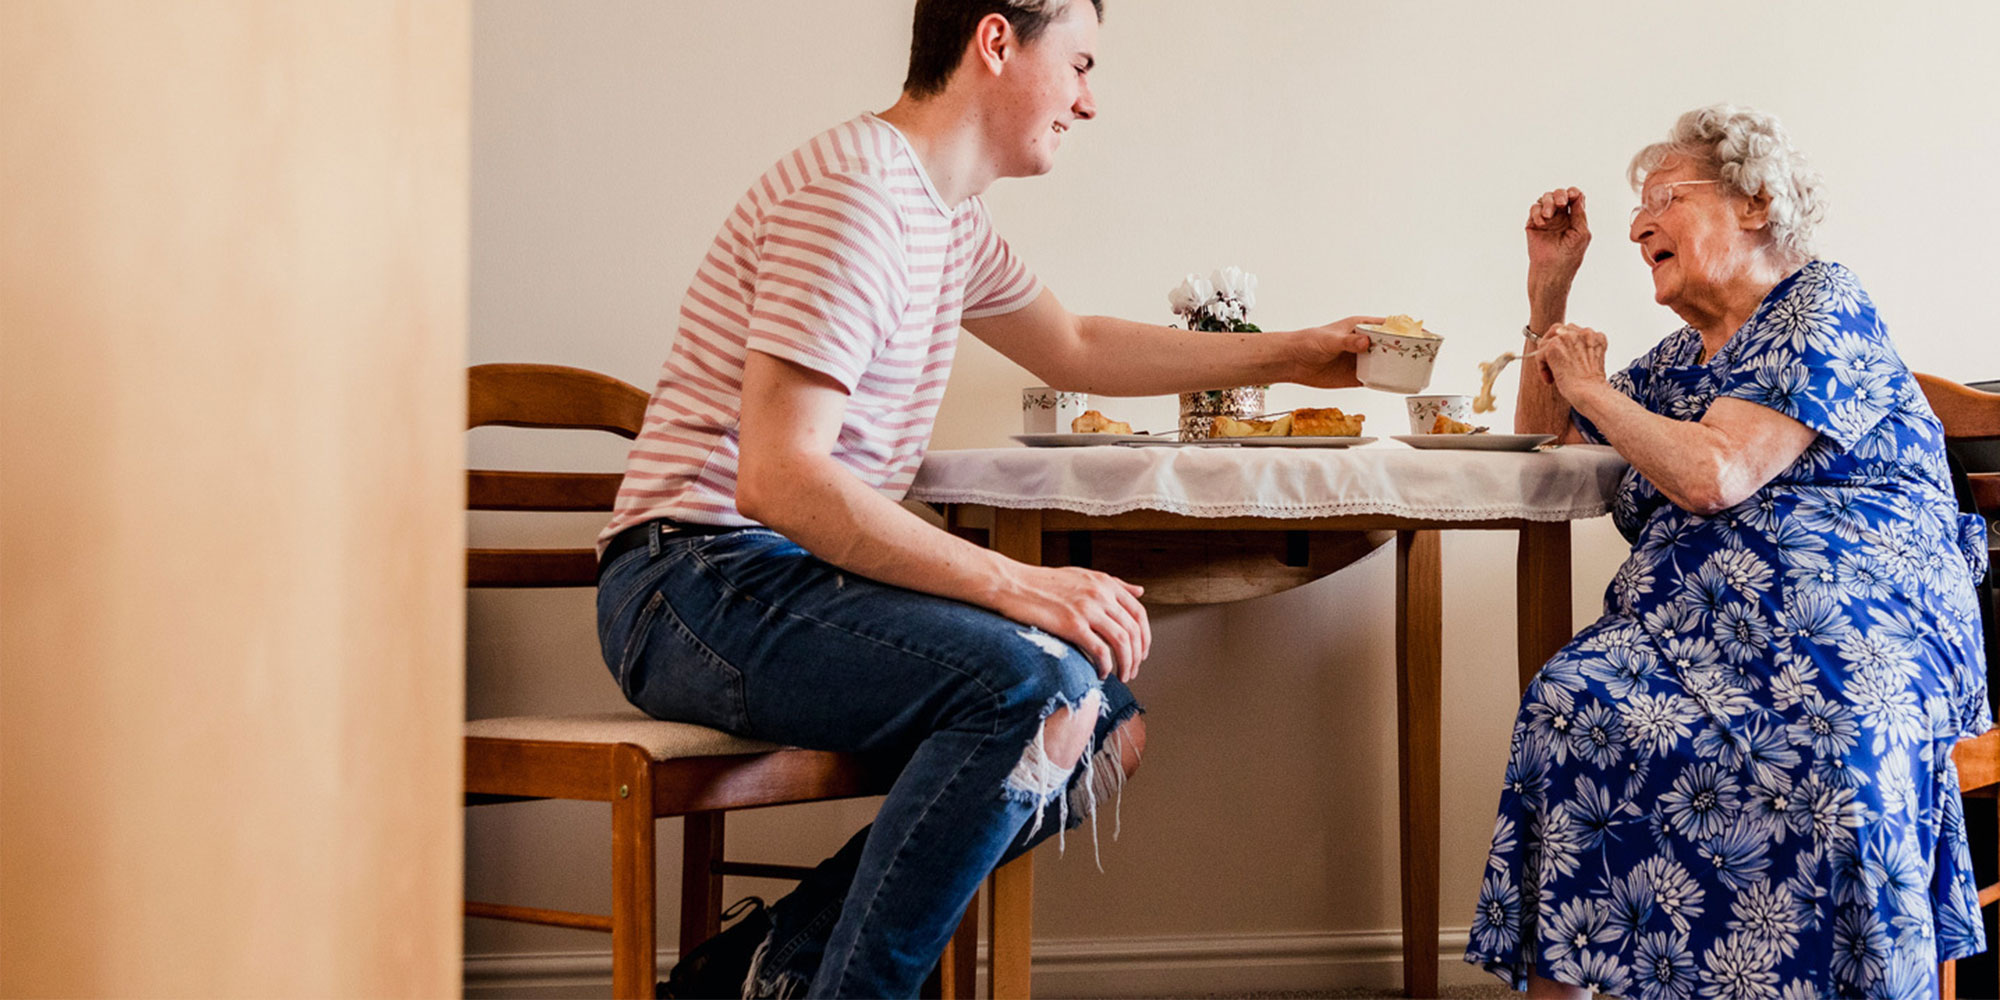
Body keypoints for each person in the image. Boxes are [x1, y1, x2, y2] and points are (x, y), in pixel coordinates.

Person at [594, 2, 1382, 996]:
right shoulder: (853, 193)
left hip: (774, 577)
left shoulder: (942, 213)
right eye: (1080, 64)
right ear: (996, 40)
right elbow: (778, 477)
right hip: (691, 582)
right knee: (1036, 689)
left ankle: (769, 965)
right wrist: (1017, 585)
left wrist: (1293, 352)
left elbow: (1074, 345)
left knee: (1101, 727)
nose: (1089, 102)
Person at [1464, 103, 1992, 999]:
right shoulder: (1677, 362)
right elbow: (1545, 438)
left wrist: (1596, 388)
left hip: (1852, 625)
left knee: (1836, 747)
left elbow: (1717, 474)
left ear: (1754, 200)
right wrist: (1547, 295)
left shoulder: (1824, 305)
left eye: (1664, 197)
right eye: (1639, 210)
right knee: (1568, 705)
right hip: (1686, 630)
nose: (1637, 227)